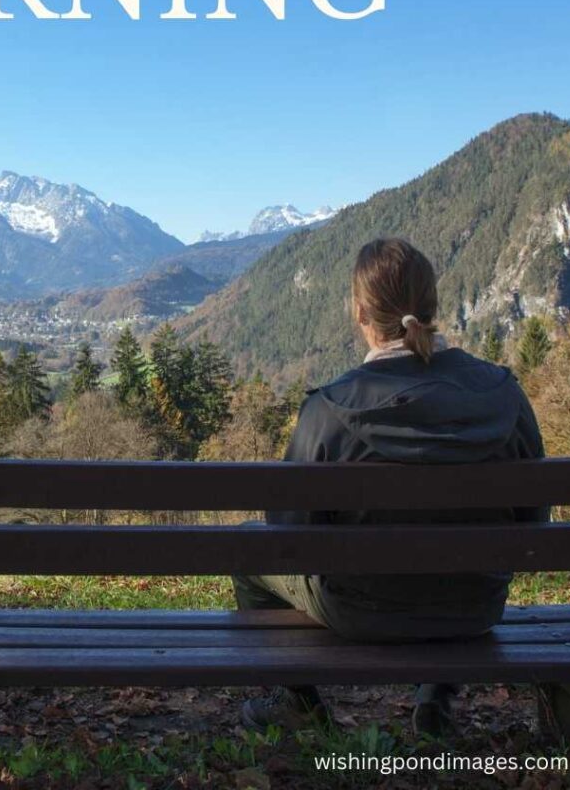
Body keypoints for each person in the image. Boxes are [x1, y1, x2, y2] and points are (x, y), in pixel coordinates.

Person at [234, 238, 546, 737]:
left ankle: (298, 703)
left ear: (360, 311)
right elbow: (534, 524)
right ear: (433, 307)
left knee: (250, 551)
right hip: (476, 606)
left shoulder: (331, 407)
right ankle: (435, 696)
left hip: (361, 611)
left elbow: (286, 537)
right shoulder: (504, 394)